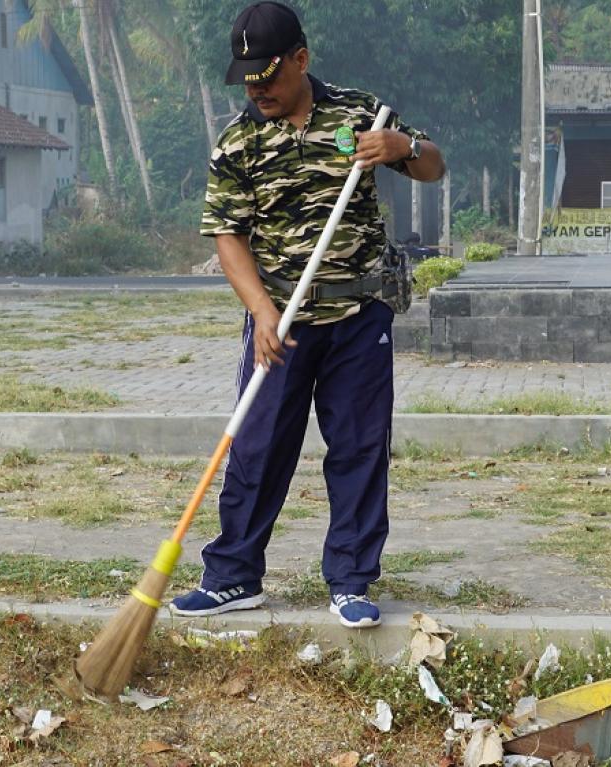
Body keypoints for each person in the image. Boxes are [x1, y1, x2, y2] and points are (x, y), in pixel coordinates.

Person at [169, 1, 445, 628]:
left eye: (268, 75)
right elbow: (228, 237)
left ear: (300, 59)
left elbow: (432, 165)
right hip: (280, 325)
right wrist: (261, 312)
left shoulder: (358, 116)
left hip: (357, 317)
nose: (258, 89)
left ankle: (350, 580)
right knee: (258, 448)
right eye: (247, 79)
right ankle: (233, 577)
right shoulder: (237, 140)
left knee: (357, 448)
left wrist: (401, 144)